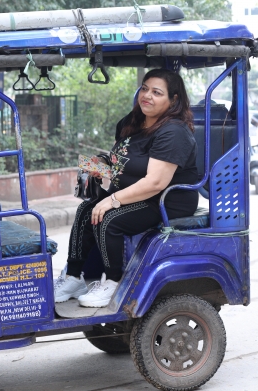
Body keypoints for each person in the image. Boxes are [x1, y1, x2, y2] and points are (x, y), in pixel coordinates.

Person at [55, 68, 198, 308]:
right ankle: (73, 277)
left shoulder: (174, 132)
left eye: (156, 92)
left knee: (108, 218)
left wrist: (112, 200)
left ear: (173, 99)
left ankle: (113, 282)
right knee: (85, 211)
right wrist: (96, 167)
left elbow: (155, 182)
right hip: (133, 193)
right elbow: (121, 163)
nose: (147, 95)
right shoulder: (132, 122)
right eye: (144, 88)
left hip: (162, 201)